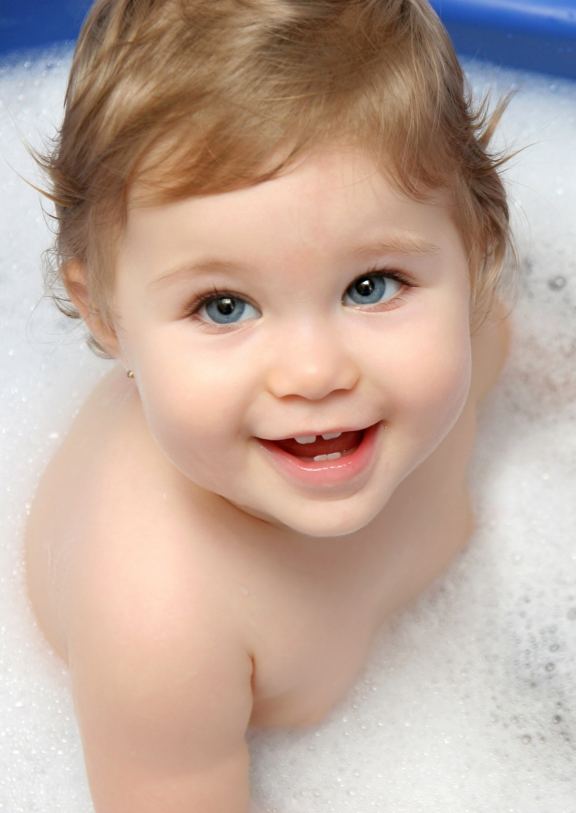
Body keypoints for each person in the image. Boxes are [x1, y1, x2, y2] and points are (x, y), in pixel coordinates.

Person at [23, 1, 511, 809]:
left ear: (476, 257)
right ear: (106, 314)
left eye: (370, 286)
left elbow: (572, 373)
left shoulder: (464, 344)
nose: (315, 372)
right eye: (223, 306)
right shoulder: (159, 621)